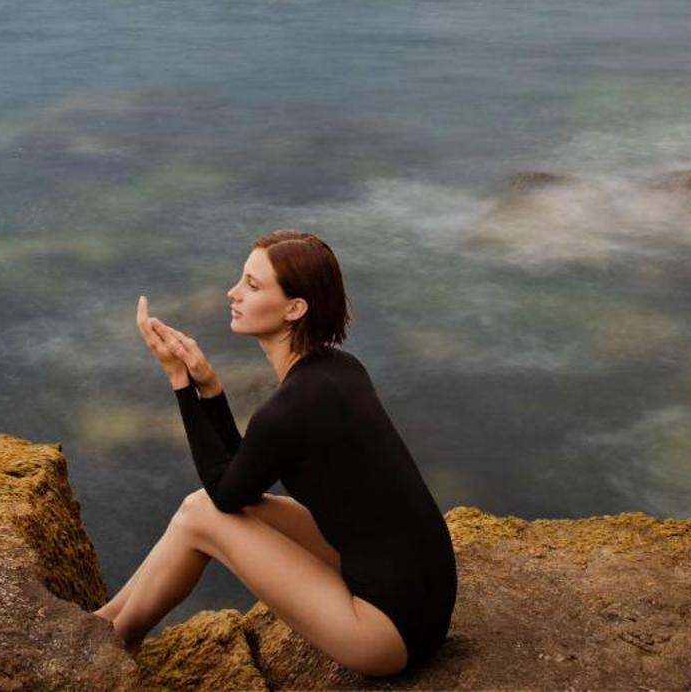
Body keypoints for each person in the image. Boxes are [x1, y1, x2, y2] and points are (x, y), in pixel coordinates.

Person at [93, 229, 457, 678]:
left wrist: (179, 381)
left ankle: (101, 648)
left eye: (252, 284)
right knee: (197, 506)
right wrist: (210, 387)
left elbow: (228, 496)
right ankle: (102, 625)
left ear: (294, 309)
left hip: (385, 632)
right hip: (423, 604)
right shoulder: (340, 371)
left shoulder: (292, 407)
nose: (233, 293)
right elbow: (239, 483)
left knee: (203, 516)